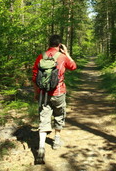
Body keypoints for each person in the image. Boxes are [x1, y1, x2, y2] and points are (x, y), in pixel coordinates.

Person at [32, 34, 77, 164]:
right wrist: (67, 53)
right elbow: (73, 66)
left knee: (44, 117)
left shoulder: (41, 56)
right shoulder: (62, 57)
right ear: (59, 45)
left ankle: (41, 147)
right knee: (59, 114)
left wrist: (36, 92)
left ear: (49, 43)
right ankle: (56, 140)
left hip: (43, 93)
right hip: (58, 92)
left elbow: (34, 77)